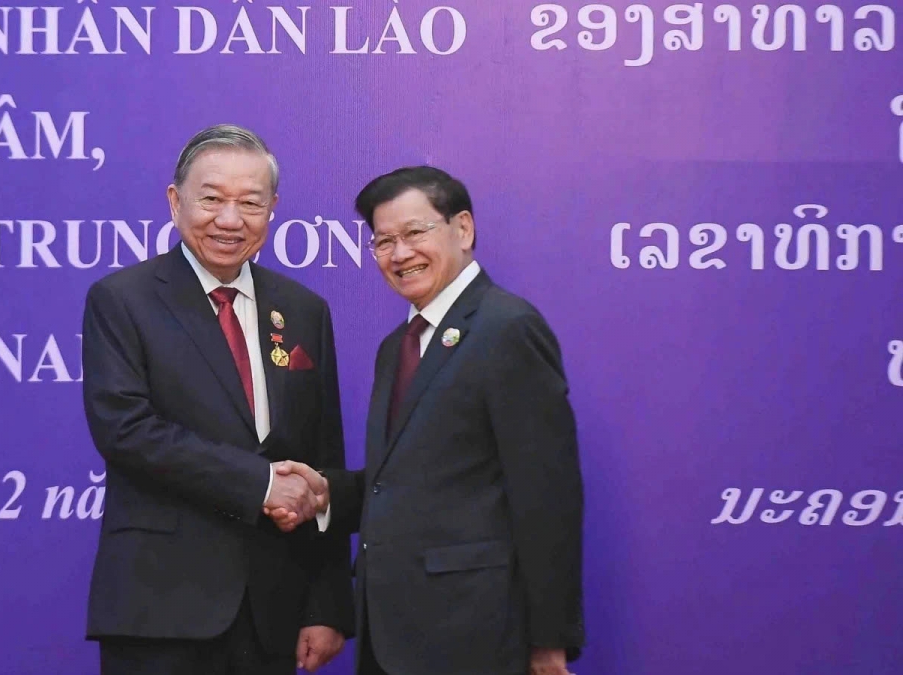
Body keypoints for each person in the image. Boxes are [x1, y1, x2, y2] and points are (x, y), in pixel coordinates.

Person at [271, 166, 586, 675]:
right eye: (383, 241)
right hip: (392, 634)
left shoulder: (507, 329)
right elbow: (405, 483)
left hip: (475, 635)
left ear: (462, 229)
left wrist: (548, 641)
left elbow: (547, 497)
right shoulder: (397, 347)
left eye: (415, 233)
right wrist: (327, 494)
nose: (399, 254)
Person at [80, 124, 354, 675]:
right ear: (175, 201)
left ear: (272, 209)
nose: (230, 221)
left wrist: (327, 606)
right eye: (211, 199)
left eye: (250, 203)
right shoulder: (123, 300)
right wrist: (262, 485)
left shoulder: (303, 309)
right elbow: (126, 429)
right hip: (161, 608)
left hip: (273, 611)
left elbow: (323, 456)